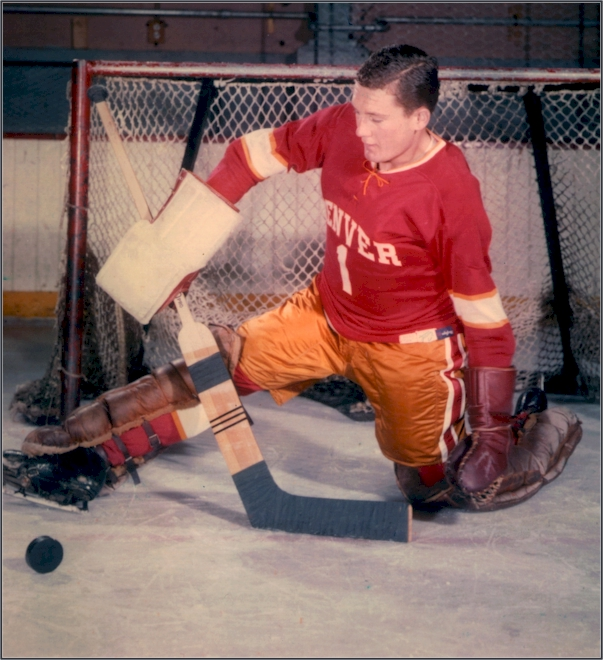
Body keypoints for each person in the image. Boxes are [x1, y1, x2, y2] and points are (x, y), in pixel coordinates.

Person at [5, 45, 581, 513]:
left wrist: (492, 433)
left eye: (377, 119)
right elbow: (249, 155)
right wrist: (180, 245)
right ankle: (96, 446)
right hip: (325, 315)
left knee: (433, 489)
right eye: (357, 111)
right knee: (220, 369)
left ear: (419, 118)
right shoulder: (343, 127)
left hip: (410, 349)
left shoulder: (450, 191)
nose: (360, 129)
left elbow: (484, 319)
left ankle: (538, 428)